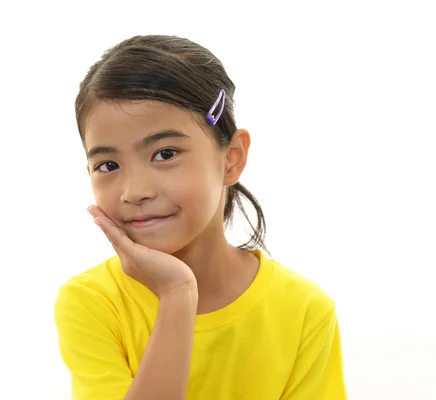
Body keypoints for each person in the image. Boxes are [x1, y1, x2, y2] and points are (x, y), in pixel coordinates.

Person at [54, 34, 347, 399]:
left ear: (231, 158)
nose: (134, 191)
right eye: (108, 164)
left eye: (165, 154)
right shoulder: (93, 302)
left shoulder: (303, 310)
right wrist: (177, 294)